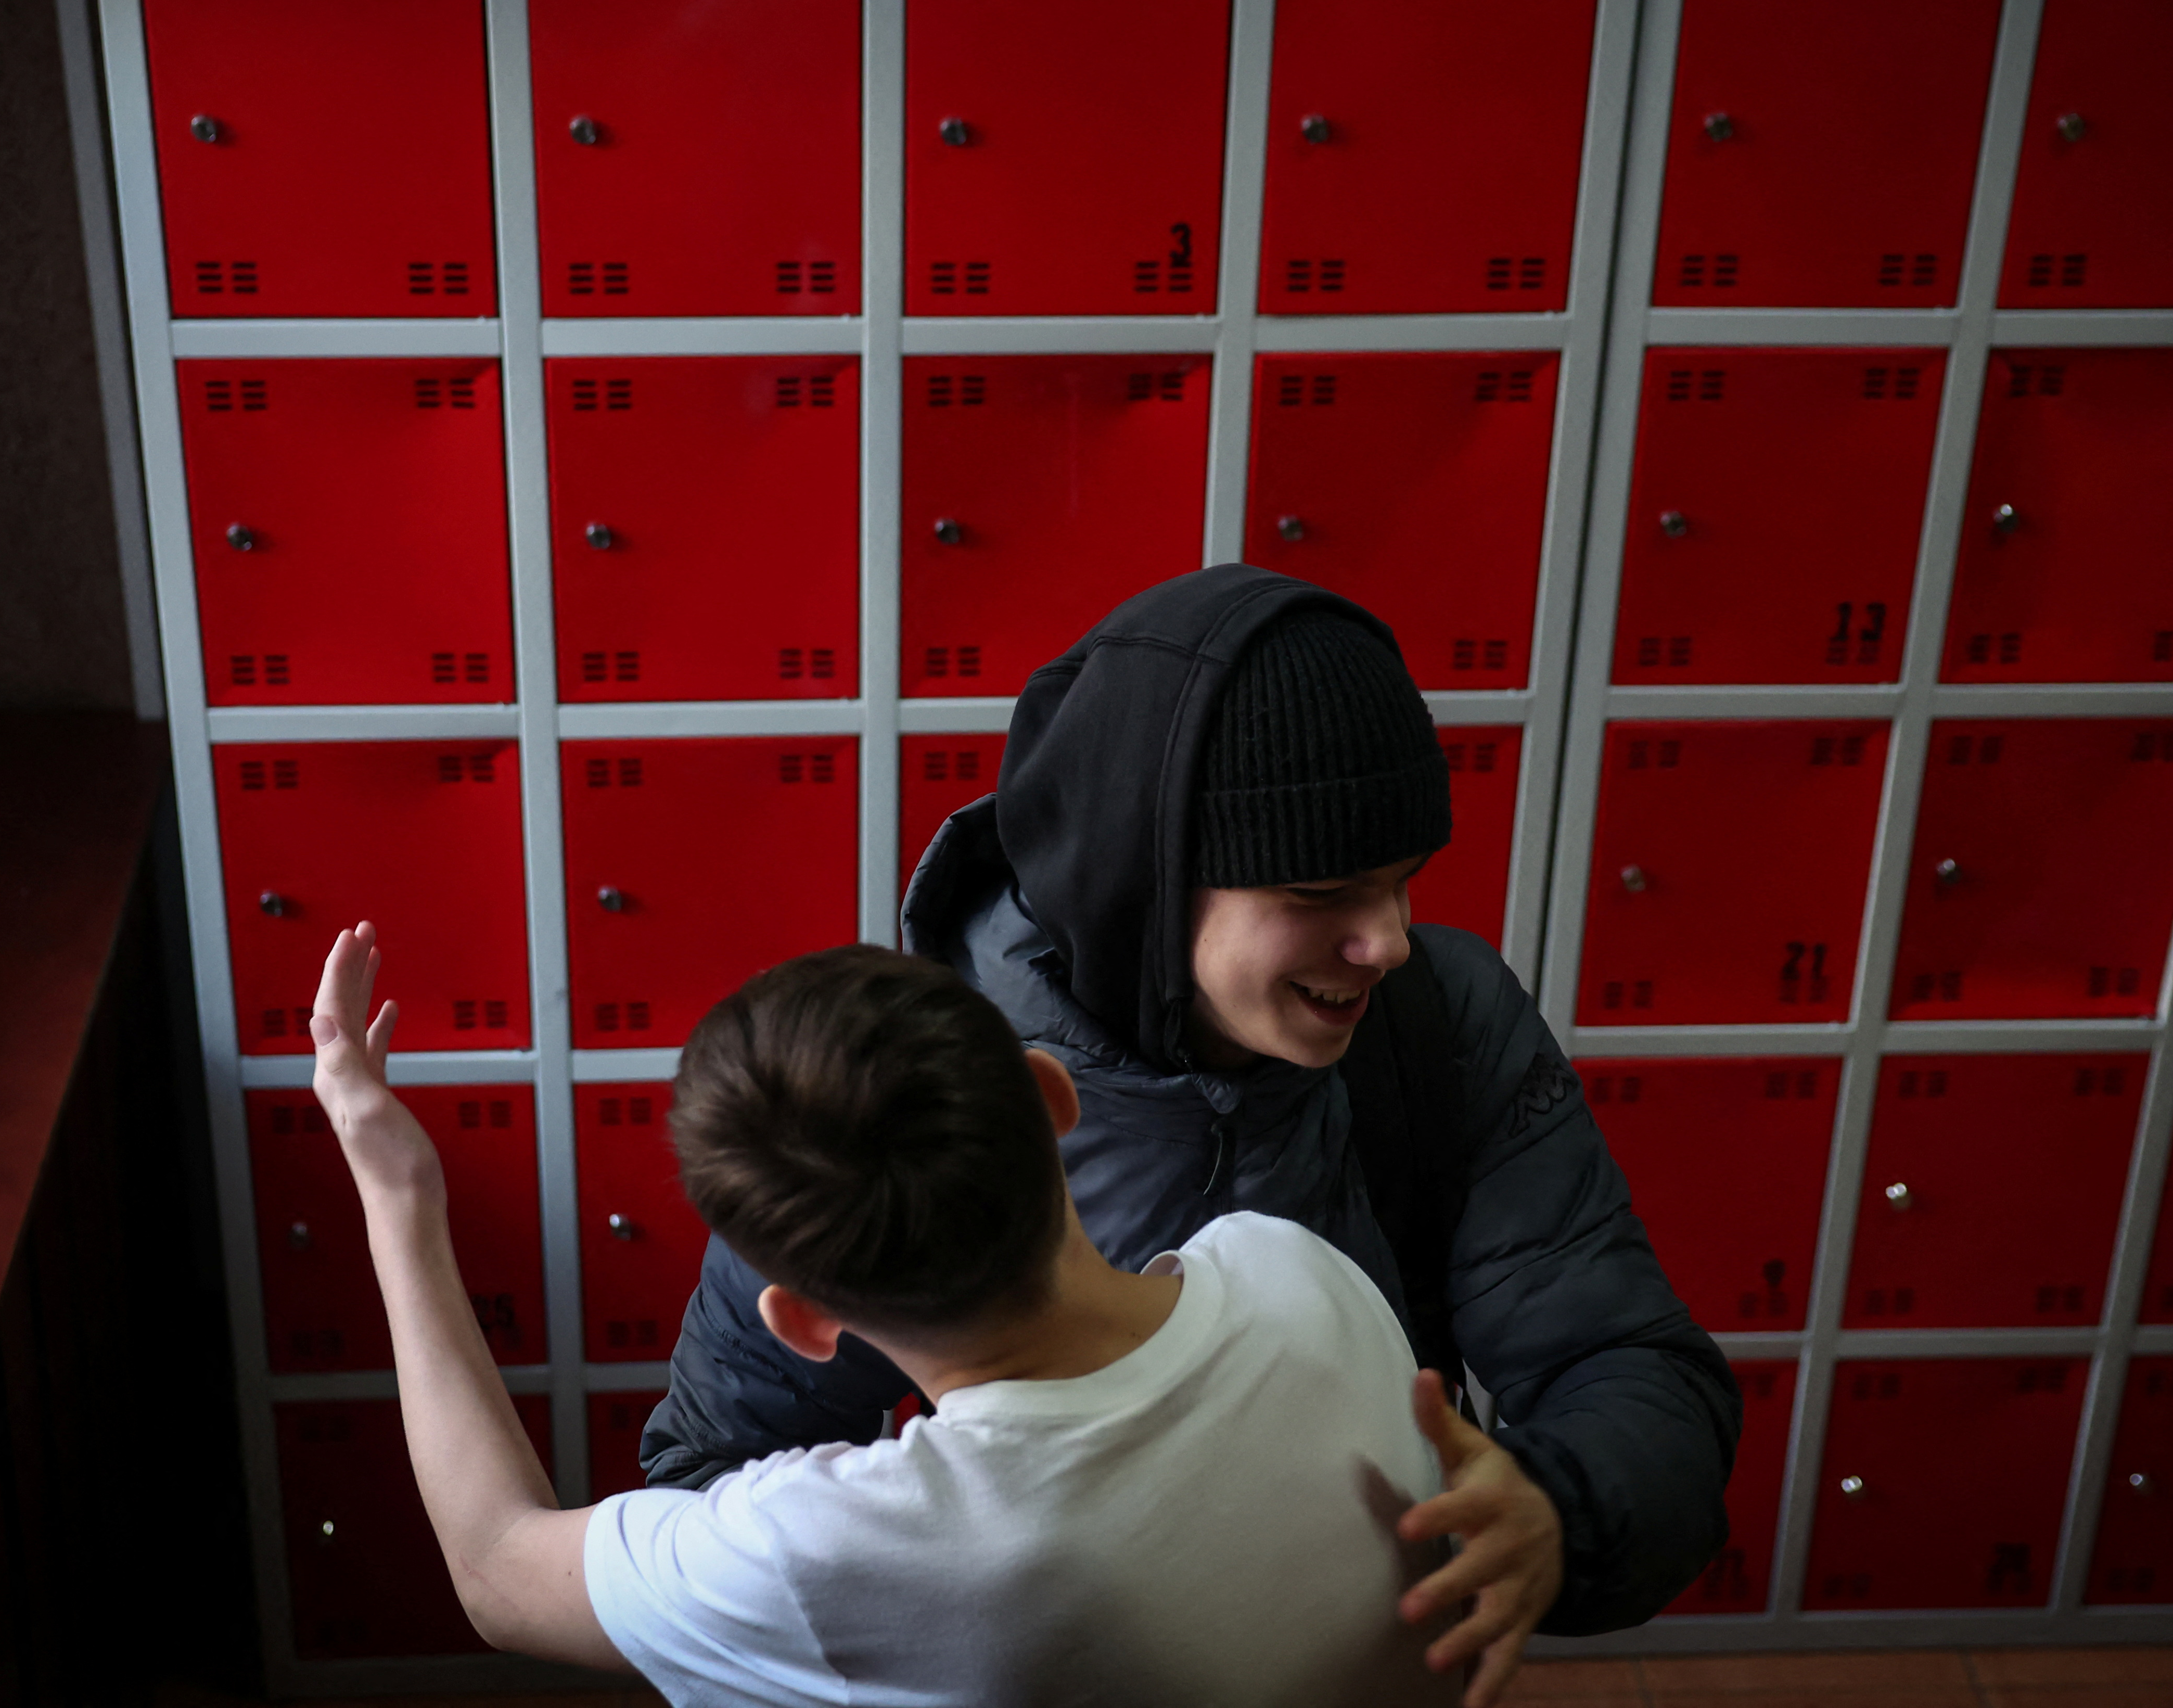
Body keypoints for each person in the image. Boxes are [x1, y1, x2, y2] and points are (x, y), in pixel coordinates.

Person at [647, 567, 1741, 1702]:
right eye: (1325, 892)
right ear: (1146, 882)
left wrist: (1551, 1509)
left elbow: (1635, 1367)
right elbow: (709, 1475)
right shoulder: (903, 1087)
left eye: (1405, 884)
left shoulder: (1439, 1025)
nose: (1392, 941)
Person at [302, 923, 1476, 1704]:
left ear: (803, 1320)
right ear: (1052, 1096)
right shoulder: (1296, 1272)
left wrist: (397, 1190)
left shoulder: (840, 1549)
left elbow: (499, 1572)